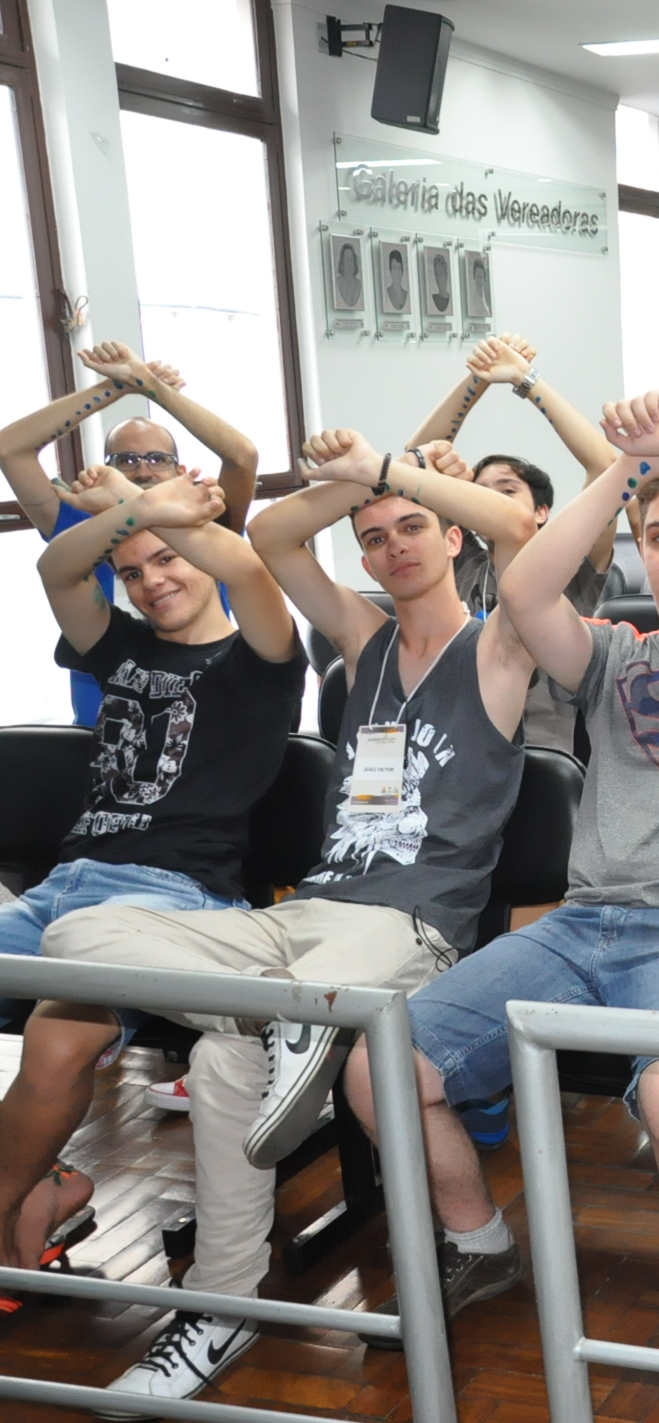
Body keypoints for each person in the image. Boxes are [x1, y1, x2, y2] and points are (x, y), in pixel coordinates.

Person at [345, 389, 659, 1409]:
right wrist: (625, 469)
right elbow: (525, 587)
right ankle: (479, 1240)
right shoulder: (610, 652)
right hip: (580, 924)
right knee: (378, 1064)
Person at [28, 430, 537, 1413]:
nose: (392, 546)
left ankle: (216, 1308)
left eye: (412, 528)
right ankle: (281, 1021)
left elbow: (515, 525)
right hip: (302, 915)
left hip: (411, 925)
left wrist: (387, 473)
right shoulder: (366, 636)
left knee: (225, 1058)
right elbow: (270, 528)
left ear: (448, 534)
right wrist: (340, 482)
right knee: (77, 938)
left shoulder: (503, 642)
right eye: (373, 535)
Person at [0, 466, 303, 1311]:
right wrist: (132, 514)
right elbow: (55, 570)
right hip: (64, 884)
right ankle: (39, 1178)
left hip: (171, 896)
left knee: (60, 1045)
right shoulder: (119, 646)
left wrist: (155, 515)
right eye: (133, 572)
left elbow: (251, 572)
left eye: (169, 559)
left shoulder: (264, 659)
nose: (152, 580)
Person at [0, 342, 259, 725]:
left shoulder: (208, 524)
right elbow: (9, 449)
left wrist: (151, 384)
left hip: (203, 713)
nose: (142, 470)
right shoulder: (78, 523)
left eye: (158, 459)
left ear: (179, 469)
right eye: (126, 460)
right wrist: (116, 387)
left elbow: (242, 457)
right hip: (102, 725)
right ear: (107, 469)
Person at [402, 334, 624, 750]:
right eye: (480, 492)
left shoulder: (568, 565)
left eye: (506, 491)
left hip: (543, 750)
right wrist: (477, 381)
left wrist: (526, 379)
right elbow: (415, 460)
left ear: (541, 511)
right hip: (462, 738)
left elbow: (605, 464)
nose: (491, 501)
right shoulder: (464, 560)